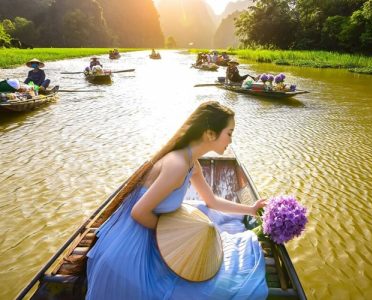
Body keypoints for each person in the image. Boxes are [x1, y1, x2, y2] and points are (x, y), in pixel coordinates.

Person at [86, 101, 269, 300]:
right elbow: (138, 212)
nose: (231, 140)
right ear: (210, 134)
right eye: (229, 133)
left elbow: (212, 202)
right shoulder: (177, 164)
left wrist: (251, 209)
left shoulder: (192, 163)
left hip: (155, 236)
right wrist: (174, 235)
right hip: (134, 244)